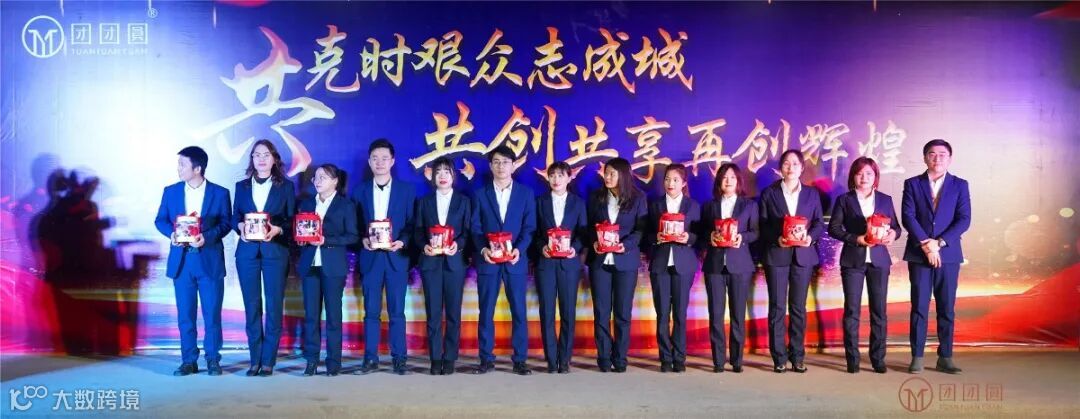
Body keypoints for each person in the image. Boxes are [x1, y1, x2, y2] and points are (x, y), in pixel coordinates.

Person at [153, 146, 232, 376]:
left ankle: (213, 359)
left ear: (197, 168)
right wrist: (172, 234)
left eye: (182, 164)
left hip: (209, 260)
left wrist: (206, 237)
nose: (178, 169)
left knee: (212, 314)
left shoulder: (220, 193)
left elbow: (226, 223)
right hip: (182, 261)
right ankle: (189, 360)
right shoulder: (171, 192)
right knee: (185, 316)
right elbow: (160, 220)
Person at [901, 139, 970, 375]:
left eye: (942, 154)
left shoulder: (960, 185)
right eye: (932, 154)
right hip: (919, 255)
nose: (937, 158)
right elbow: (908, 216)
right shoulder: (912, 184)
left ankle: (945, 357)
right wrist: (926, 244)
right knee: (919, 306)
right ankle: (917, 356)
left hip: (948, 255)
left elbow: (964, 219)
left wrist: (938, 243)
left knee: (946, 308)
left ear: (949, 158)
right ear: (925, 158)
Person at [828, 157, 901, 374]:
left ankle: (878, 358)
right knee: (852, 311)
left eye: (869, 173)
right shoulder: (844, 200)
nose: (864, 177)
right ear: (853, 176)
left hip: (879, 261)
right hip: (853, 260)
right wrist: (855, 238)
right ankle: (853, 359)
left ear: (875, 176)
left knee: (879, 311)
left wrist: (892, 235)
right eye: (860, 173)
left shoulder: (885, 199)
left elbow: (897, 227)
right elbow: (834, 228)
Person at [470, 146, 537, 376]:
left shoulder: (525, 193)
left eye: (506, 162)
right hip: (488, 261)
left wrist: (519, 249)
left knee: (518, 310)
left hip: (515, 261)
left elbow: (529, 227)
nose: (501, 166)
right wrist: (483, 249)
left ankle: (520, 359)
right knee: (485, 310)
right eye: (496, 162)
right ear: (490, 166)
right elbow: (475, 227)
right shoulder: (480, 194)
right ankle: (486, 359)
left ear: (513, 165)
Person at [351, 138, 416, 375]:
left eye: (384, 158)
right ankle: (370, 358)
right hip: (371, 259)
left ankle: (399, 359)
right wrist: (362, 239)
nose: (380, 162)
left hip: (396, 258)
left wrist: (403, 241)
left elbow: (412, 224)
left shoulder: (406, 191)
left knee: (397, 312)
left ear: (393, 161)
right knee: (371, 312)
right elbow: (354, 225)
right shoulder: (359, 191)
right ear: (369, 162)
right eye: (375, 158)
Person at [232, 139, 295, 376]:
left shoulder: (285, 187)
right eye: (257, 155)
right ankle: (254, 359)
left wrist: (277, 229)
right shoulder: (241, 186)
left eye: (266, 154)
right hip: (247, 252)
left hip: (275, 251)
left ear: (274, 159)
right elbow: (234, 217)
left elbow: (291, 220)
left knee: (274, 304)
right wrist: (240, 226)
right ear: (252, 159)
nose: (261, 159)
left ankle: (268, 360)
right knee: (252, 305)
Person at [759, 149, 825, 374]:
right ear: (781, 168)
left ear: (802, 168)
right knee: (777, 307)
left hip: (803, 256)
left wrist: (810, 237)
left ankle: (797, 356)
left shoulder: (811, 194)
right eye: (786, 163)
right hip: (777, 255)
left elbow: (818, 223)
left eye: (795, 164)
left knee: (798, 307)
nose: (791, 167)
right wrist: (777, 238)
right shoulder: (769, 193)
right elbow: (763, 225)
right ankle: (778, 357)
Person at [586, 157, 647, 373]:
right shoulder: (596, 197)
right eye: (606, 173)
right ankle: (603, 357)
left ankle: (620, 358)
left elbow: (640, 230)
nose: (608, 177)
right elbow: (588, 226)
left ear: (623, 175)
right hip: (600, 262)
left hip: (625, 261)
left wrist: (625, 245)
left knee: (622, 313)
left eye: (612, 173)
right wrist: (593, 241)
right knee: (601, 312)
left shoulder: (638, 198)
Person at [297, 164, 358, 377]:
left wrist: (326, 240)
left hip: (333, 266)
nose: (318, 180)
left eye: (323, 177)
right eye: (316, 177)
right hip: (310, 265)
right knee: (311, 316)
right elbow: (300, 230)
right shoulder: (306, 204)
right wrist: (301, 239)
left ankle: (333, 362)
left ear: (335, 181)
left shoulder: (345, 205)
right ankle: (311, 360)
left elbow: (352, 236)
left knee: (333, 316)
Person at [413, 157, 471, 375]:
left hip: (455, 263)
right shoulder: (424, 202)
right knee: (433, 313)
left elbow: (468, 232)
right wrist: (424, 246)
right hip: (431, 263)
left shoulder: (464, 201)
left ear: (453, 176)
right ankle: (435, 358)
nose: (442, 176)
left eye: (447, 172)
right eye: (438, 172)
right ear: (432, 177)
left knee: (454, 313)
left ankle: (450, 358)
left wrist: (459, 244)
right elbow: (418, 231)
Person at [700, 162, 758, 373]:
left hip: (740, 265)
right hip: (715, 265)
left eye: (732, 177)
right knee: (716, 314)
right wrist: (710, 236)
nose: (728, 181)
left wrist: (742, 238)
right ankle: (718, 360)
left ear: (739, 181)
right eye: (724, 177)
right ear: (719, 181)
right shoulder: (710, 206)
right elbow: (701, 232)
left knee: (737, 315)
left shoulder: (749, 205)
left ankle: (737, 359)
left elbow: (756, 232)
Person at [534, 161, 587, 373]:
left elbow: (583, 232)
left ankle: (564, 360)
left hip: (569, 265)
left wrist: (575, 248)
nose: (556, 179)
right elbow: (534, 233)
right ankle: (550, 359)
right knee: (547, 312)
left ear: (569, 178)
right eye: (552, 175)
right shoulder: (540, 202)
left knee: (568, 313)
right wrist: (542, 247)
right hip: (546, 264)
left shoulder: (578, 203)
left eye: (560, 175)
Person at [646, 164, 700, 373]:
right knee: (662, 314)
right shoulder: (655, 205)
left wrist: (689, 238)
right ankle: (665, 358)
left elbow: (700, 234)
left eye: (676, 180)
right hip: (661, 263)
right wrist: (656, 237)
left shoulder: (692, 206)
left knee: (679, 313)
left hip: (683, 264)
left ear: (684, 183)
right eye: (667, 179)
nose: (671, 183)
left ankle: (679, 358)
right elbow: (646, 235)